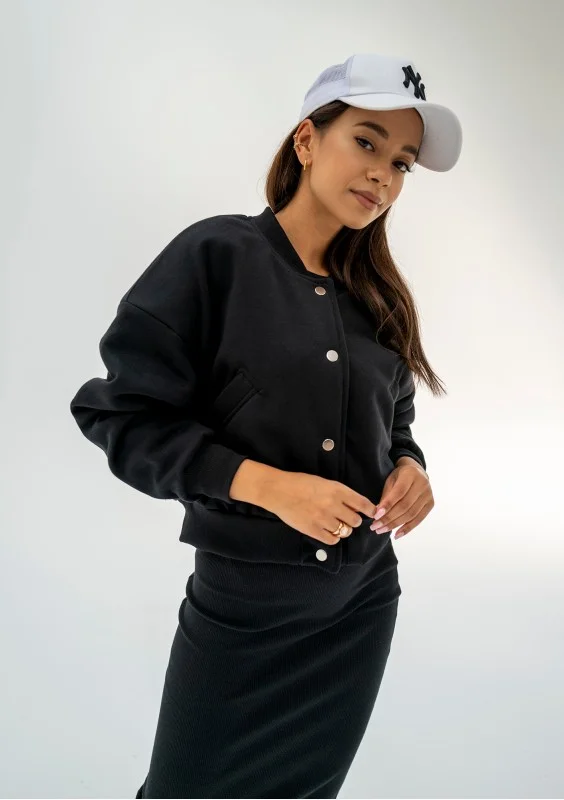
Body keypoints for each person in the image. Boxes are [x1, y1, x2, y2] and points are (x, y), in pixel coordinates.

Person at [70, 52, 462, 798]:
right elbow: (119, 414)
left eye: (402, 163)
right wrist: (267, 486)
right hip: (243, 608)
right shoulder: (215, 256)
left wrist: (411, 468)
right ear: (307, 140)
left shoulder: (377, 296)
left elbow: (395, 419)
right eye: (367, 141)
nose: (383, 174)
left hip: (361, 606)